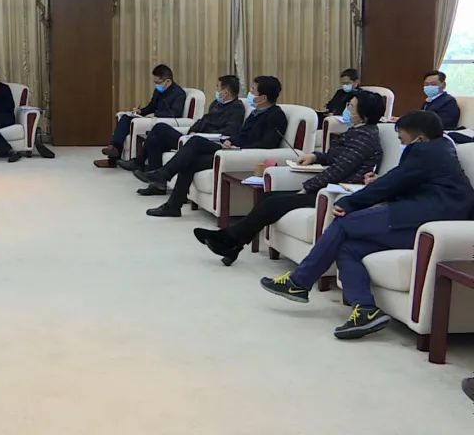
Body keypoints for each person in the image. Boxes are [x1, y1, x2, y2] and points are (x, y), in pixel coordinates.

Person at [260, 110, 474, 339]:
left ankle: (299, 282)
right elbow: (406, 180)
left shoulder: (426, 152)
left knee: (344, 223)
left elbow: (394, 183)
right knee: (348, 248)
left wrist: (351, 202)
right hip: (422, 220)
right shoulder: (440, 148)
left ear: (419, 138)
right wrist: (380, 182)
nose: (402, 144)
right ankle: (365, 310)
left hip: (426, 221)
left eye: (403, 140)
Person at [195, 91, 386, 265]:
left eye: (351, 106)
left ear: (364, 114)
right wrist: (315, 156)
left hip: (339, 193)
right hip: (329, 187)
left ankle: (228, 240)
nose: (346, 109)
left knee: (274, 203)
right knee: (269, 197)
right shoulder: (357, 131)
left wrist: (308, 187)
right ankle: (232, 244)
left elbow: (339, 170)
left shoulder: (365, 137)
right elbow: (334, 157)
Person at [134, 76, 288, 218]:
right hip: (231, 149)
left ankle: (163, 174)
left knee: (196, 142)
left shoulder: (275, 116)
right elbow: (241, 134)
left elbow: (266, 144)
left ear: (263, 98)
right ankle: (173, 206)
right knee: (190, 160)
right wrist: (230, 141)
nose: (250, 93)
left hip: (241, 155)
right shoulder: (256, 112)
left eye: (253, 91)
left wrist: (238, 148)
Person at [118, 75, 246, 176]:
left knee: (159, 132)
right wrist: (193, 131)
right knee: (158, 130)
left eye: (218, 88)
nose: (216, 91)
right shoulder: (216, 104)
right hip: (193, 137)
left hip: (207, 142)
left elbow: (229, 131)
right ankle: (154, 177)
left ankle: (141, 164)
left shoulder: (237, 108)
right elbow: (203, 121)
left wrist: (201, 134)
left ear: (226, 92)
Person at [95, 64, 186, 168]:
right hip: (150, 118)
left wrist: (156, 114)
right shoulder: (158, 91)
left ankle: (117, 160)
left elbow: (175, 113)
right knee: (125, 118)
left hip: (161, 122)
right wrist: (140, 112)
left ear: (168, 81)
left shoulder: (179, 94)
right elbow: (151, 106)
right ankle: (115, 149)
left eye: (158, 83)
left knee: (134, 122)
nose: (156, 86)